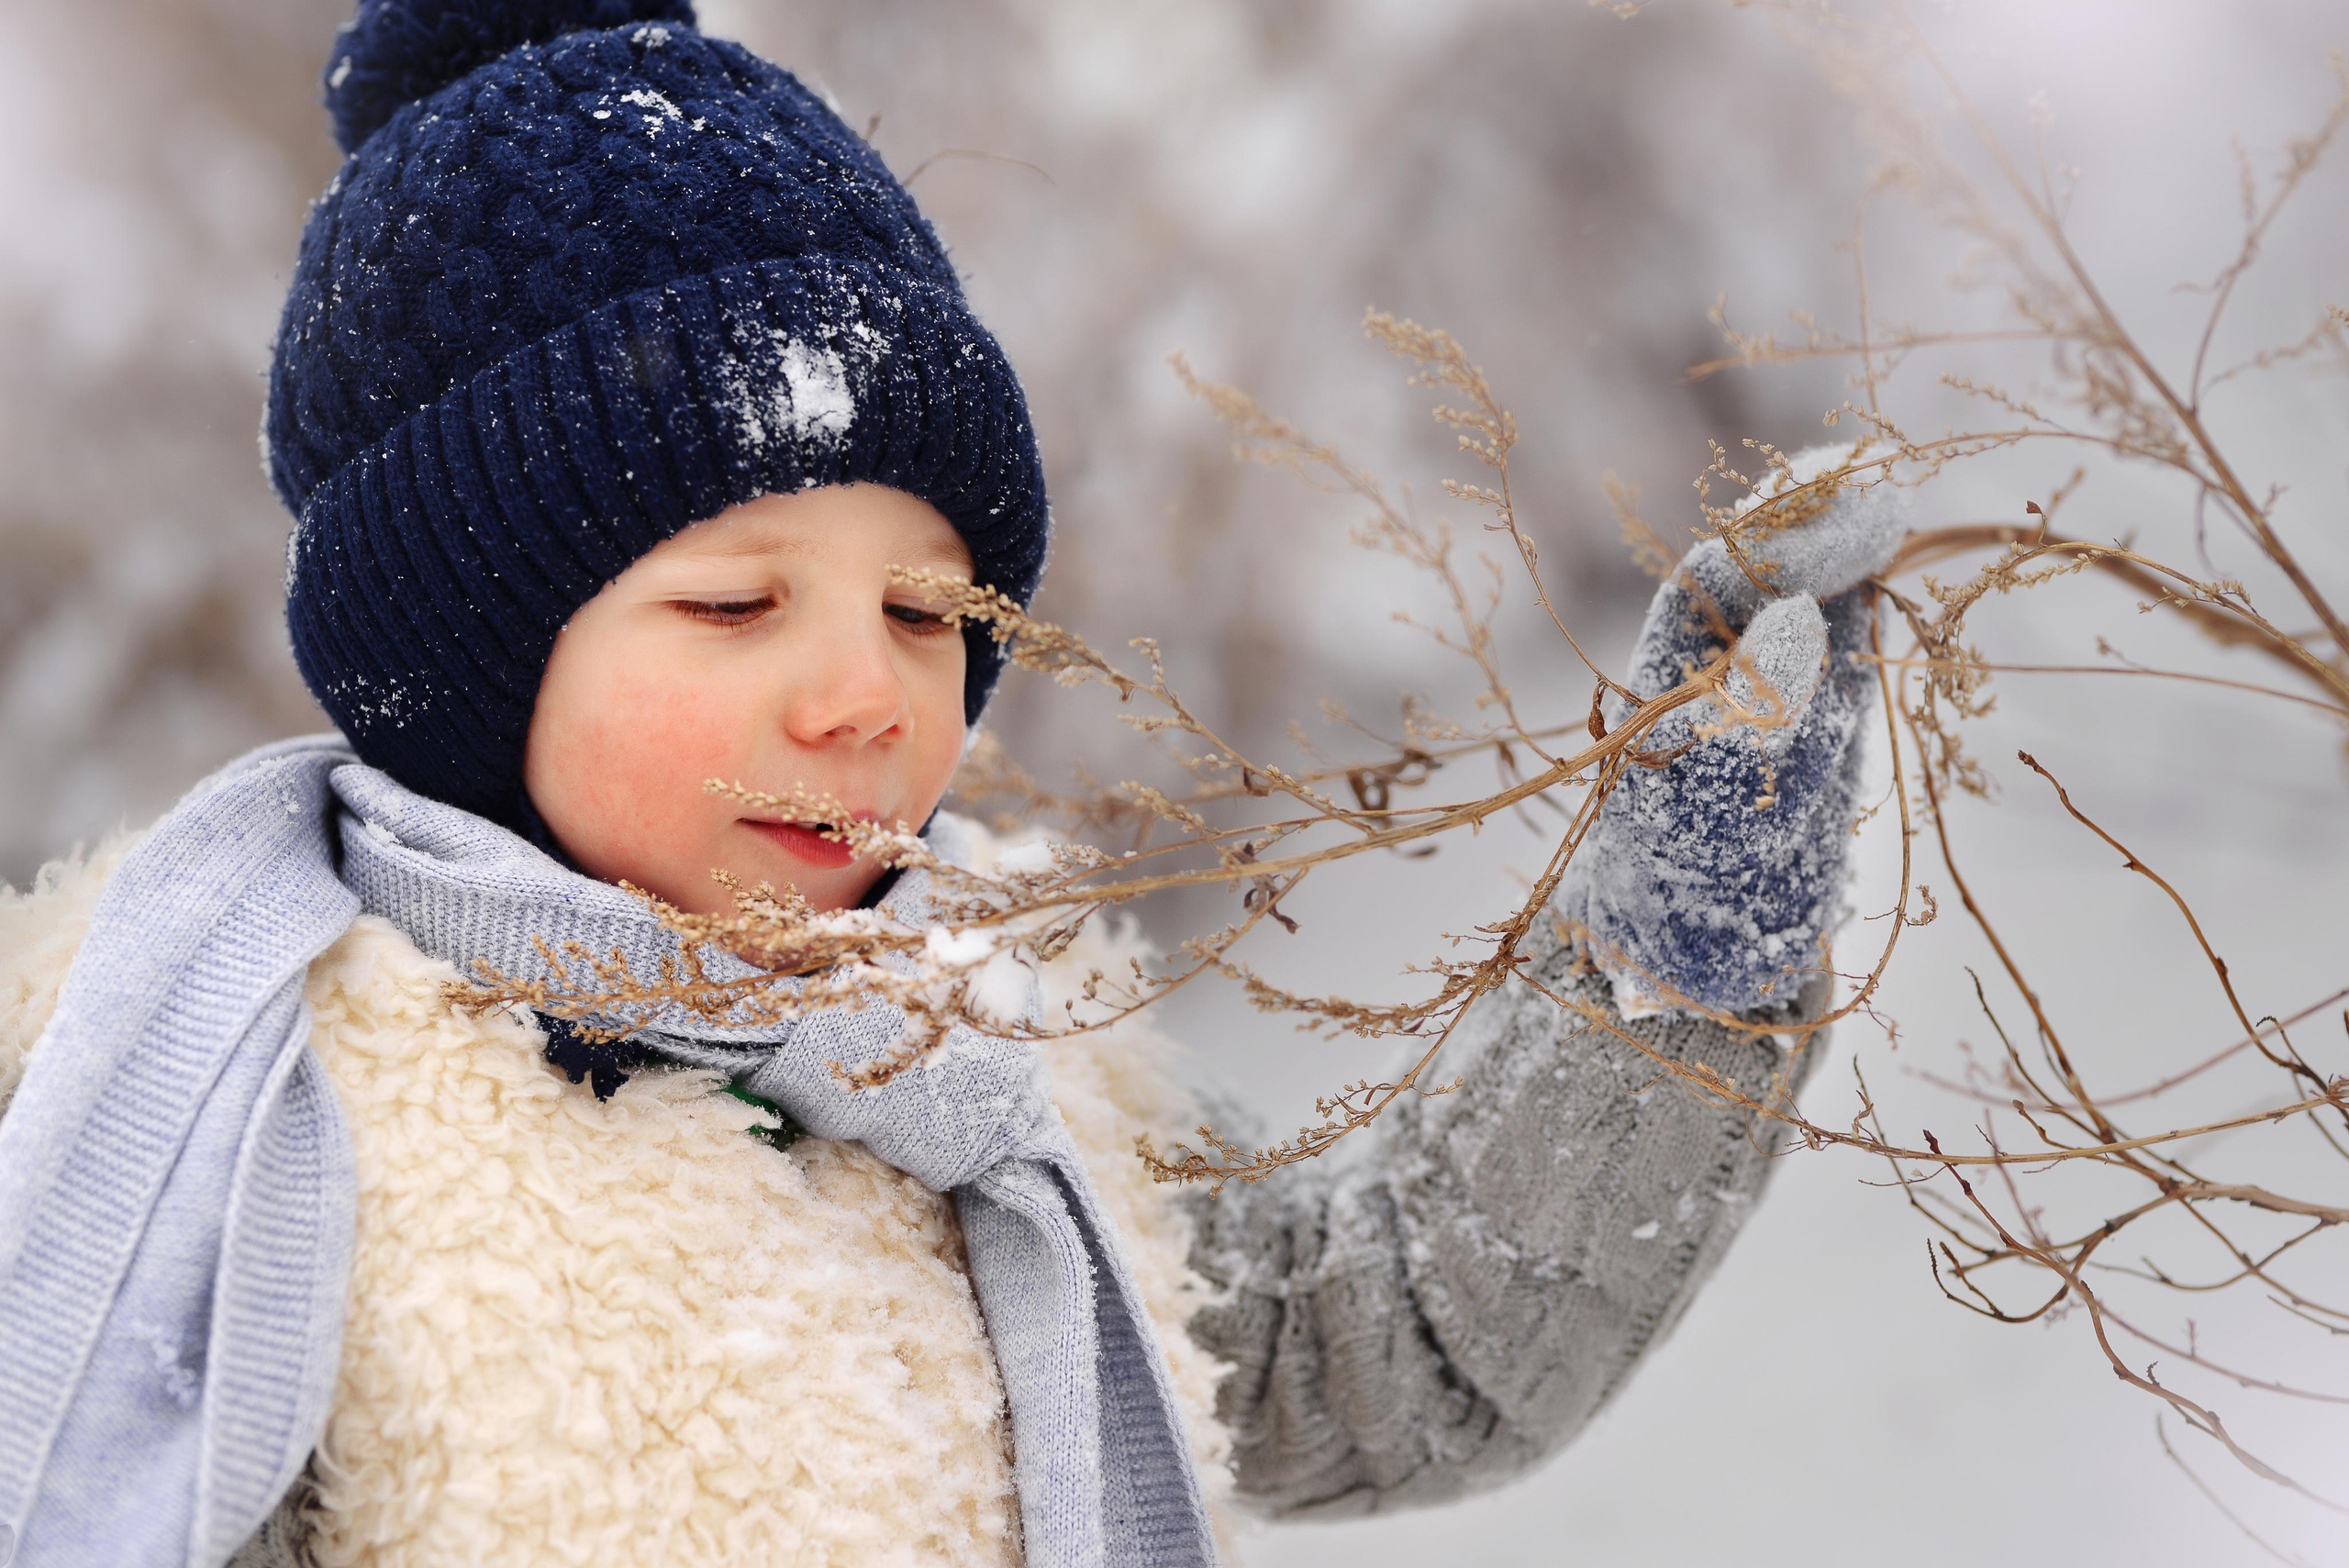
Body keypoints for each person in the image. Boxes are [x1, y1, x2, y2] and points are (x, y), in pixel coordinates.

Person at [0, 2, 1903, 1563]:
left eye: (928, 614)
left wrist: (1683, 929)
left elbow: (1396, 1339)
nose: (864, 701)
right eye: (736, 603)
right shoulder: (222, 1136)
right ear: (463, 662)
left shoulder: (991, 1067)